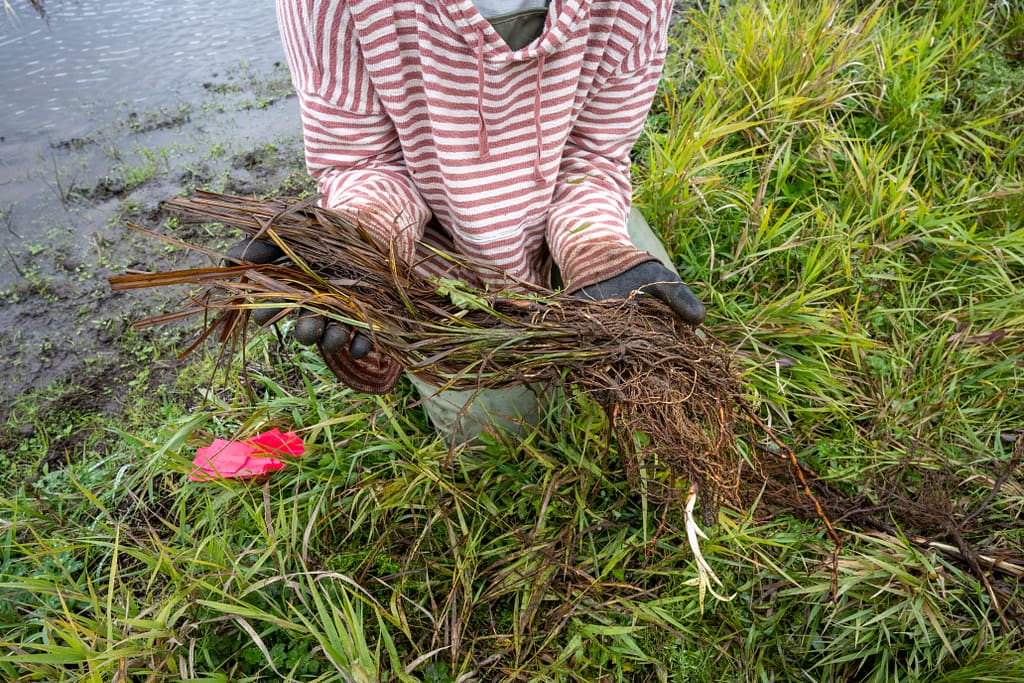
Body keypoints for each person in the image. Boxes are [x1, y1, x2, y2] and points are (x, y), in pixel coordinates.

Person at [236, 0, 706, 443]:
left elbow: (594, 154)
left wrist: (595, 248)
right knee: (492, 435)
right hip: (439, 251)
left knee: (672, 354)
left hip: (572, 214)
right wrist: (361, 237)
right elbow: (364, 160)